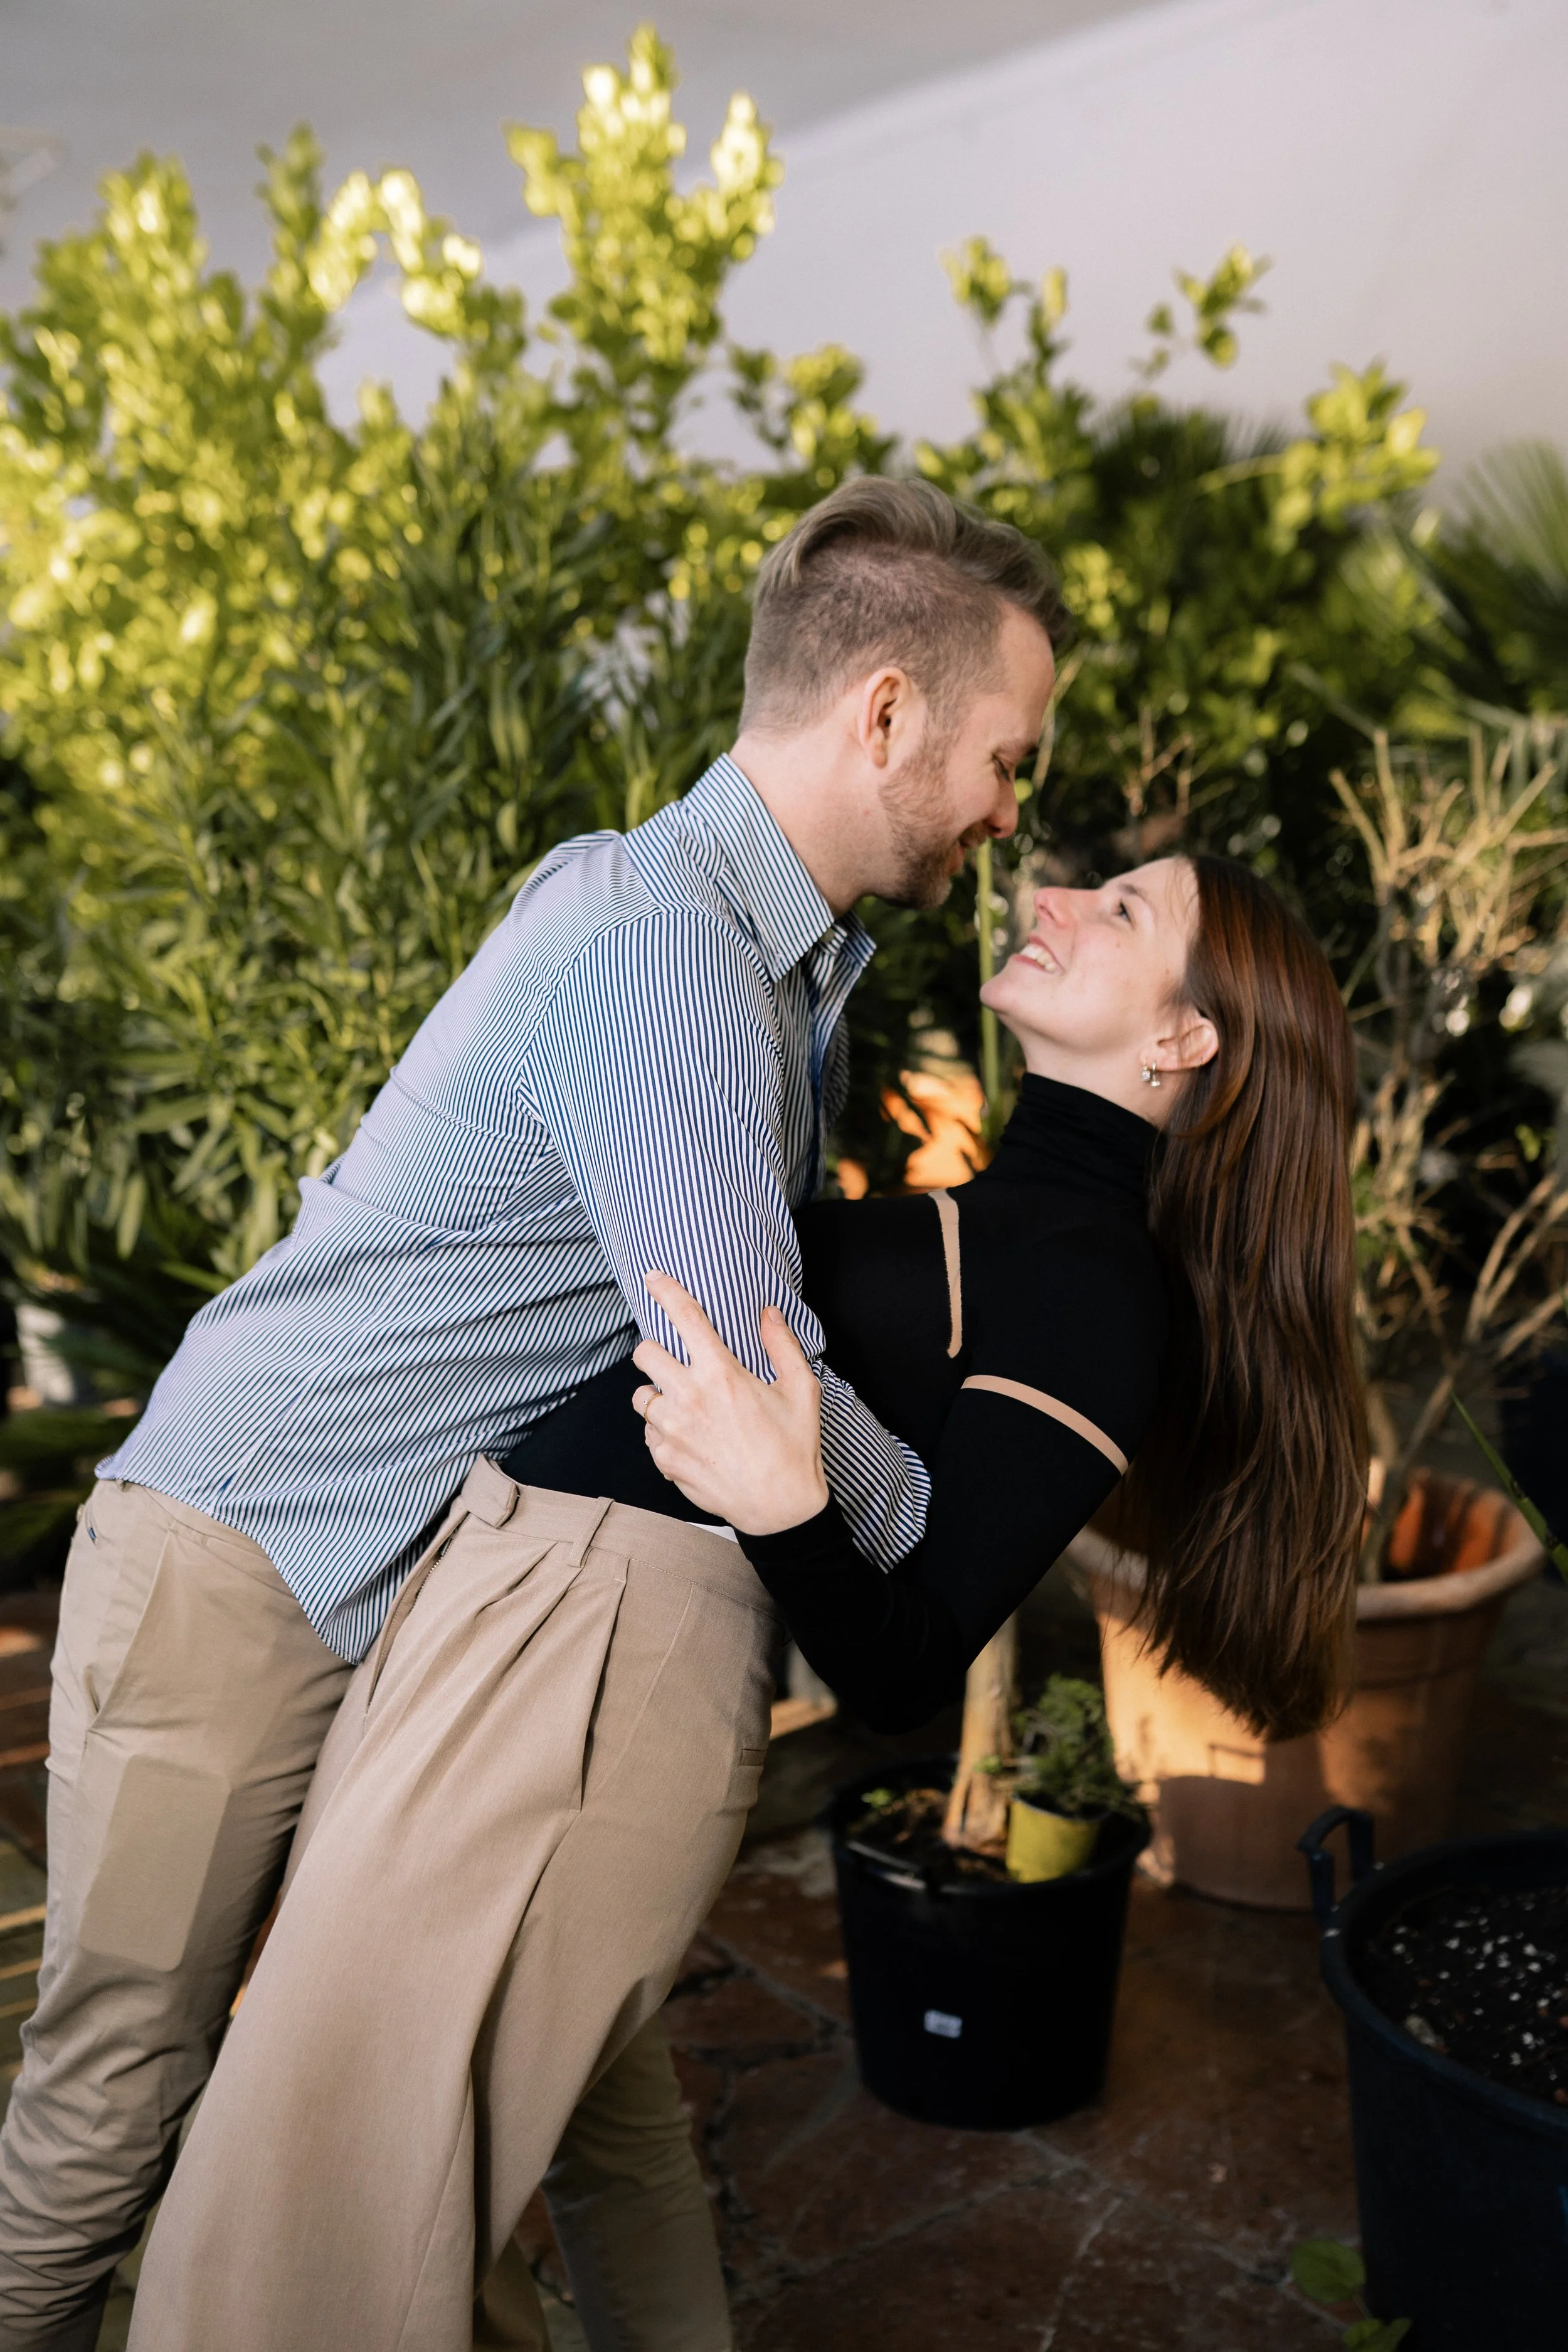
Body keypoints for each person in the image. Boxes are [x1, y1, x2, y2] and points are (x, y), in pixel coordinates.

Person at [0, 477, 1062, 2352]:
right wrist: (970, 1525)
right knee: (116, 2103)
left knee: (583, 2070)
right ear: (881, 709)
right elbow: (747, 1368)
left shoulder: (770, 969)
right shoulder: (665, 946)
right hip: (246, 1562)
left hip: (408, 1589)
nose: (1007, 808)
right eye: (1003, 756)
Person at [127, 846, 1367, 2348]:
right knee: (473, 2178)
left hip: (590, 1683)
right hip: (521, 1628)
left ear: (1185, 1039)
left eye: (1120, 911)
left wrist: (784, 1501)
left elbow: (908, 1664)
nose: (1053, 893)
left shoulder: (1100, 1289)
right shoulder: (1005, 1213)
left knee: (294, 2231)